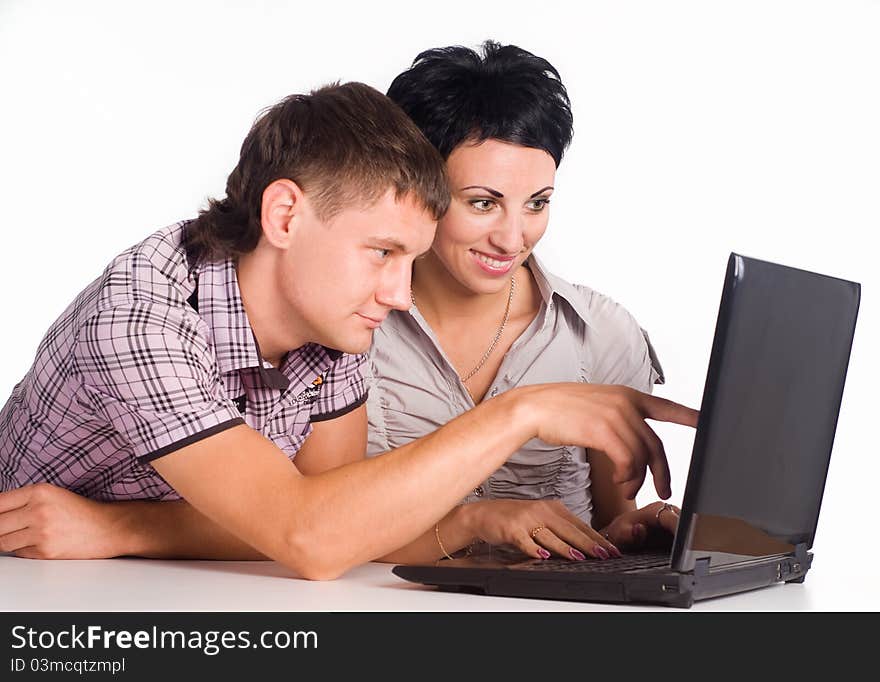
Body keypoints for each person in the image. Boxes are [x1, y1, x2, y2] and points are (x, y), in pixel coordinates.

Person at [0, 81, 697, 580]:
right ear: (283, 216)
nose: (399, 296)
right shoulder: (145, 315)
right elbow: (312, 536)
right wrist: (523, 411)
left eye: (411, 260)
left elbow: (338, 518)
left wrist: (472, 523)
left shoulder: (334, 321)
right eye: (383, 253)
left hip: (163, 580)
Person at [365, 41, 681, 560]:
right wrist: (472, 523)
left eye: (537, 204)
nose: (513, 239)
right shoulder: (353, 325)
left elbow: (611, 517)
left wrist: (633, 532)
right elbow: (314, 523)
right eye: (483, 203)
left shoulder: (601, 333)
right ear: (414, 188)